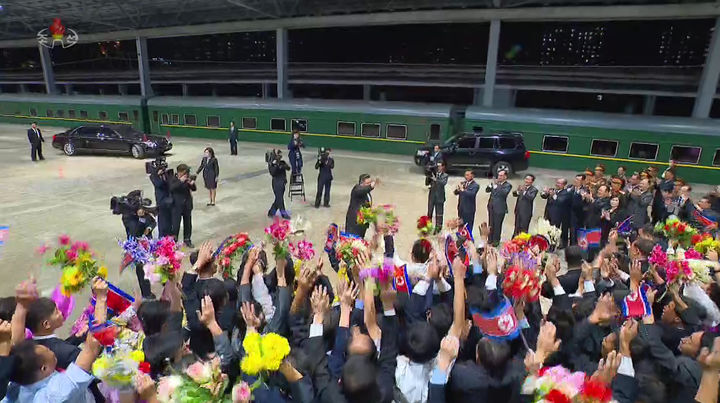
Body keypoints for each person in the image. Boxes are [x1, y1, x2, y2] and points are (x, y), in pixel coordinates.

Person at [169, 164, 196, 248]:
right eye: (184, 172)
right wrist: (180, 181)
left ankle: (187, 239)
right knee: (176, 224)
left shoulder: (187, 178)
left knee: (187, 223)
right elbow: (171, 188)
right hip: (177, 205)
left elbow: (194, 189)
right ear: (179, 172)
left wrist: (191, 183)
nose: (186, 174)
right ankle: (174, 241)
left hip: (187, 204)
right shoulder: (173, 178)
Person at [541, 178, 571, 247]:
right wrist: (545, 192)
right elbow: (543, 196)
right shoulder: (552, 190)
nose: (557, 184)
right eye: (557, 182)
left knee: (554, 232)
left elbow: (561, 201)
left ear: (563, 185)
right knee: (546, 230)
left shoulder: (566, 193)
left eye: (559, 183)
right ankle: (546, 244)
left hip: (557, 216)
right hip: (548, 214)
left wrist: (554, 195)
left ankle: (553, 246)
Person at [485, 169, 512, 245]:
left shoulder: (508, 185)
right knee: (491, 224)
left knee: (497, 225)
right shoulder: (495, 183)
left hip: (500, 208)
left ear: (505, 177)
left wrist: (497, 186)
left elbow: (503, 193)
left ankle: (496, 241)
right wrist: (490, 185)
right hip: (491, 207)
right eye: (498, 175)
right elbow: (487, 190)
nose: (499, 177)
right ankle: (490, 239)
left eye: (501, 175)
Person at [149, 162, 173, 237]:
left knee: (169, 219)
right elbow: (158, 184)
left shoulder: (166, 174)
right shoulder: (153, 176)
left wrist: (165, 175)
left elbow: (171, 183)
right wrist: (158, 175)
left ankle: (169, 235)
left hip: (169, 200)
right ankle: (162, 236)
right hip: (161, 200)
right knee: (162, 220)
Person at [453, 170, 479, 235]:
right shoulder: (463, 183)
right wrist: (458, 189)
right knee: (460, 223)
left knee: (468, 225)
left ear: (472, 176)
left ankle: (468, 237)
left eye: (468, 175)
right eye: (465, 175)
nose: (466, 176)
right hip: (461, 207)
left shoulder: (475, 185)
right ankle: (460, 235)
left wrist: (463, 190)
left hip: (469, 209)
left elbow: (472, 194)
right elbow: (456, 193)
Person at [268, 149, 291, 219]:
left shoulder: (282, 162)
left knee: (278, 199)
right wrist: (276, 165)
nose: (280, 157)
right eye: (278, 155)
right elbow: (273, 173)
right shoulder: (272, 164)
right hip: (276, 183)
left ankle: (271, 212)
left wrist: (281, 165)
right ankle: (283, 213)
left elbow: (288, 168)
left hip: (282, 183)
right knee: (280, 199)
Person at [428, 161, 449, 233]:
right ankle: (428, 227)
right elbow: (427, 183)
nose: (438, 167)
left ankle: (438, 228)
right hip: (432, 196)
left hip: (440, 196)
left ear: (443, 167)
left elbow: (443, 183)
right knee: (429, 212)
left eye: (440, 166)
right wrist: (428, 176)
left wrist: (435, 179)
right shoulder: (434, 174)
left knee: (439, 213)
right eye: (437, 166)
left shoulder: (445, 175)